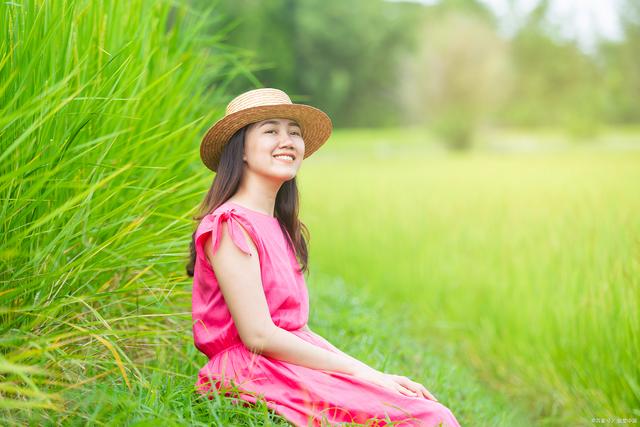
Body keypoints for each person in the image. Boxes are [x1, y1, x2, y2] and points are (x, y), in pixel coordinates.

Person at [186, 87, 461, 426]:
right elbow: (258, 335)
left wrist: (375, 375)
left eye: (294, 132)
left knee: (423, 411)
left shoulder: (277, 226)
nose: (286, 140)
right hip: (253, 372)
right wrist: (365, 375)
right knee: (426, 418)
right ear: (240, 149)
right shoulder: (231, 225)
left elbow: (296, 331)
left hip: (283, 364)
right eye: (271, 130)